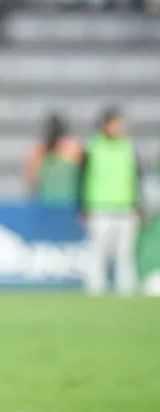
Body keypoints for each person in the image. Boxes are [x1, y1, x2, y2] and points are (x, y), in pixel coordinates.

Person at [79, 107, 143, 296]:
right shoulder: (92, 147)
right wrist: (83, 206)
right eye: (115, 123)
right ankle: (95, 289)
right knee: (99, 252)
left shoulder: (128, 146)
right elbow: (82, 178)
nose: (119, 127)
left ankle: (126, 290)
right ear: (105, 125)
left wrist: (139, 204)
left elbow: (137, 177)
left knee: (125, 253)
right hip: (99, 207)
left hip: (126, 207)